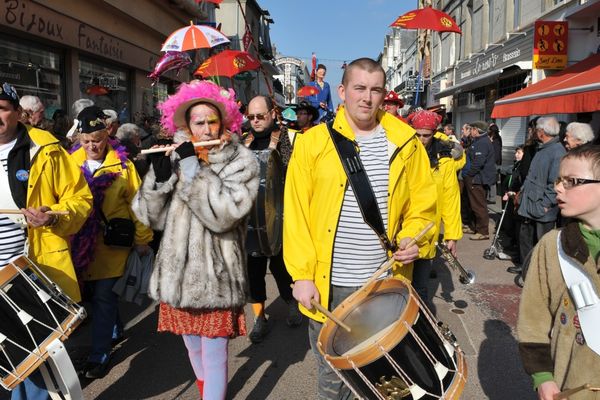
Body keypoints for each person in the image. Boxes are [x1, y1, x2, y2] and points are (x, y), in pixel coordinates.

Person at [284, 57, 436, 399]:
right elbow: (296, 214)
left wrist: (413, 237)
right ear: (342, 92)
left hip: (384, 281)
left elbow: (423, 207)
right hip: (330, 284)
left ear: (384, 94)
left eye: (375, 89)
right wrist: (301, 275)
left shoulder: (406, 143)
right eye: (359, 88)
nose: (367, 98)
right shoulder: (311, 144)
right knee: (333, 375)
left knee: (383, 373)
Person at [132, 80, 259, 399]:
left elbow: (226, 214)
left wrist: (192, 168)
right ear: (187, 125)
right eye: (198, 122)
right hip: (178, 275)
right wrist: (158, 184)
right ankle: (207, 392)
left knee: (215, 357)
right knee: (193, 350)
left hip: (217, 277)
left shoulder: (239, 161)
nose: (205, 128)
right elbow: (150, 218)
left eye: (211, 121)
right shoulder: (174, 155)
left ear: (224, 122)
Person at [0, 82, 93, 399]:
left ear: (17, 113)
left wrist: (54, 215)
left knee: (38, 365)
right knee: (8, 364)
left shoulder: (46, 149)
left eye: (2, 108)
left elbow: (80, 200)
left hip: (31, 271)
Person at [69, 106, 153, 379]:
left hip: (112, 244)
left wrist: (142, 239)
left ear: (107, 136)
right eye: (86, 142)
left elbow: (137, 203)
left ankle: (99, 356)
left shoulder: (123, 165)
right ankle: (114, 329)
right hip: (79, 243)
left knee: (104, 296)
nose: (92, 147)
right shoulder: (68, 163)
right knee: (92, 298)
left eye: (97, 141)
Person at [517, 144, 600, 400]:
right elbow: (533, 318)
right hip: (571, 385)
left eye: (571, 181)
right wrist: (542, 378)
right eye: (559, 180)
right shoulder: (552, 246)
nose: (558, 188)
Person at [243, 95, 300, 343]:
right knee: (253, 271)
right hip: (250, 219)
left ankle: (292, 304)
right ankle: (259, 318)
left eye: (260, 116)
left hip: (279, 217)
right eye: (251, 117)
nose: (255, 121)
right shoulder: (243, 142)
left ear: (272, 114)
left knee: (280, 267)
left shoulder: (287, 139)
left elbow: (296, 177)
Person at [407, 110, 462, 305]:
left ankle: (420, 325)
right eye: (418, 134)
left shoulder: (444, 160)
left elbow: (450, 197)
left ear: (434, 133)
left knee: (420, 286)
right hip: (402, 229)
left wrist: (452, 235)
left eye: (426, 135)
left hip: (427, 230)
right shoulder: (403, 152)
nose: (421, 140)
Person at [510, 116, 566, 274]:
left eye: (536, 129)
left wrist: (545, 205)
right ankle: (526, 268)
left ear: (541, 132)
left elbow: (555, 184)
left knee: (542, 243)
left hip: (541, 207)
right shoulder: (543, 148)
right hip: (530, 203)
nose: (534, 132)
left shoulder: (556, 152)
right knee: (525, 237)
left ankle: (539, 275)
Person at [463, 121, 497, 240]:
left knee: (479, 205)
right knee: (472, 204)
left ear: (476, 130)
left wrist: (469, 174)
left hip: (477, 179)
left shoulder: (482, 143)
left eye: (471, 128)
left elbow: (478, 162)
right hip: (475, 178)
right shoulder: (479, 141)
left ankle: (483, 231)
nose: (470, 130)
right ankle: (474, 227)